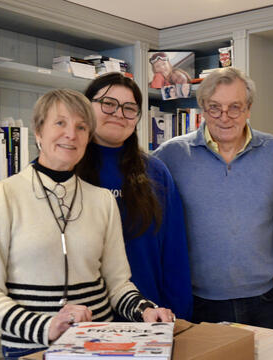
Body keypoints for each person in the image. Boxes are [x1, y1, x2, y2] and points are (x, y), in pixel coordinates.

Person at [0, 89, 174, 359]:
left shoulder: (101, 200)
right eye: (60, 123)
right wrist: (47, 326)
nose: (71, 134)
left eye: (81, 127)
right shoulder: (1, 196)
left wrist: (145, 309)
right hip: (30, 348)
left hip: (99, 345)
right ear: (38, 131)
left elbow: (117, 283)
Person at [153, 67, 273, 330]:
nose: (225, 117)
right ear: (202, 108)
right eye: (214, 108)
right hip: (198, 300)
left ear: (248, 109)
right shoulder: (172, 155)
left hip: (263, 298)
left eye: (235, 107)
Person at [76, 73, 192, 321]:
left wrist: (179, 317)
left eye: (129, 108)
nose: (118, 113)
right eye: (108, 103)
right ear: (86, 107)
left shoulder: (156, 172)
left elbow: (174, 253)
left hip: (149, 316)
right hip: (82, 320)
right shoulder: (66, 169)